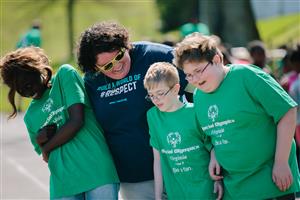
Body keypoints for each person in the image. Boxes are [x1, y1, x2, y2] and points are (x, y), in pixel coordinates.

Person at [173, 33, 300, 199]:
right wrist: (213, 156)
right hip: (234, 190)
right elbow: (211, 136)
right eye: (189, 75)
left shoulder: (246, 75)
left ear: (217, 60)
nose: (195, 79)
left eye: (198, 70)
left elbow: (287, 112)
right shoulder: (198, 96)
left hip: (271, 183)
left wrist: (281, 162)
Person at [76, 21, 189, 199]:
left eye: (119, 56)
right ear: (95, 67)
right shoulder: (91, 82)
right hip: (134, 177)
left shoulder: (157, 55)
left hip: (181, 164)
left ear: (125, 45)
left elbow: (201, 87)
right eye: (106, 66)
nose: (116, 66)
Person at [0, 47, 119, 199]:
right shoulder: (30, 117)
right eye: (20, 89)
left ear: (38, 70)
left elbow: (76, 121)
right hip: (64, 184)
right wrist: (41, 143)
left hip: (97, 171)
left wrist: (46, 146)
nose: (27, 91)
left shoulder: (64, 75)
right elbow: (48, 157)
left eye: (28, 83)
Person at [144, 62, 223, 200]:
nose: (156, 99)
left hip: (205, 187)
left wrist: (217, 180)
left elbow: (213, 146)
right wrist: (158, 196)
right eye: (151, 95)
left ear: (175, 89)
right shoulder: (153, 116)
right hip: (176, 190)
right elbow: (158, 160)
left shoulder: (195, 111)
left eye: (160, 93)